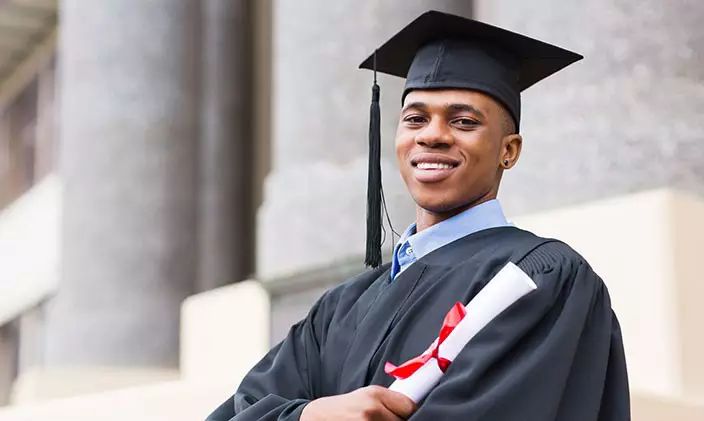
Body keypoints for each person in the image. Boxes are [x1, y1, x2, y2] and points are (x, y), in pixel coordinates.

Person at [207, 10, 630, 421]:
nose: (431, 135)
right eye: (415, 118)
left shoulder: (541, 281)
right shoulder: (339, 309)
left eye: (463, 121)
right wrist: (310, 415)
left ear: (509, 150)